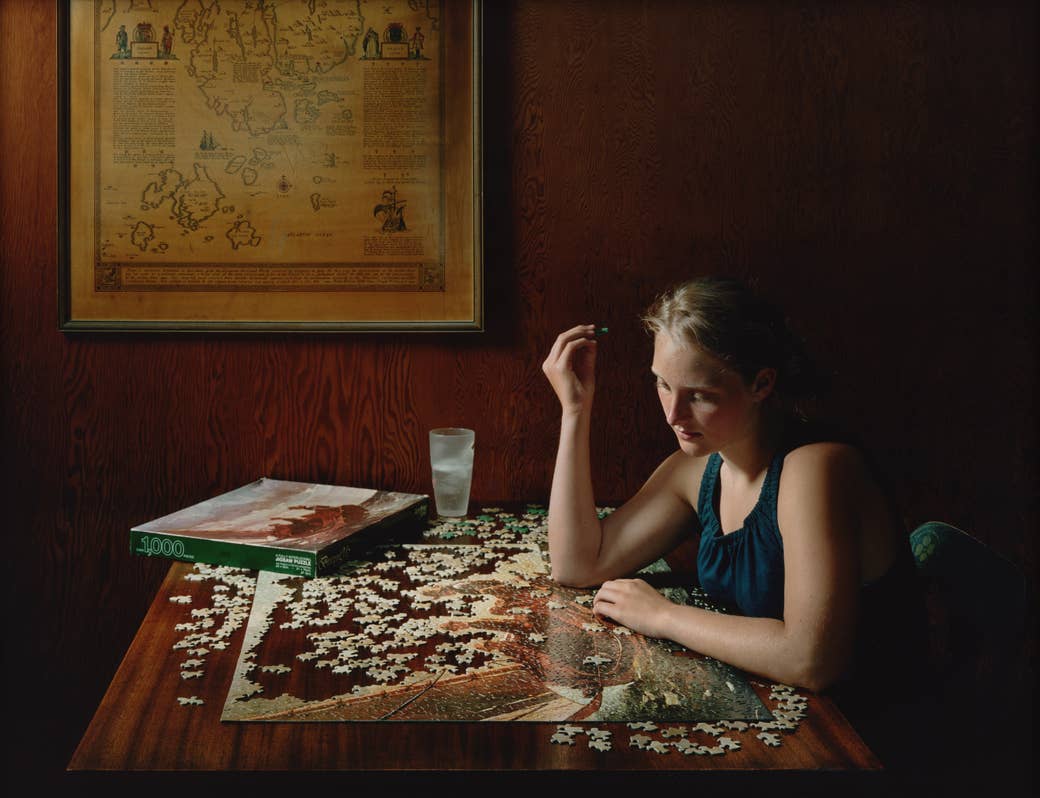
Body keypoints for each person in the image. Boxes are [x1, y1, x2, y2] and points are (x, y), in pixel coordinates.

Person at [542, 275, 928, 767]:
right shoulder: (700, 466)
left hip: (860, 747)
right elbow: (577, 564)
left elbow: (811, 660)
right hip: (769, 728)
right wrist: (574, 411)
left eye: (700, 394)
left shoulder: (815, 470)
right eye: (662, 384)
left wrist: (663, 615)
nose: (674, 413)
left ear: (761, 384)